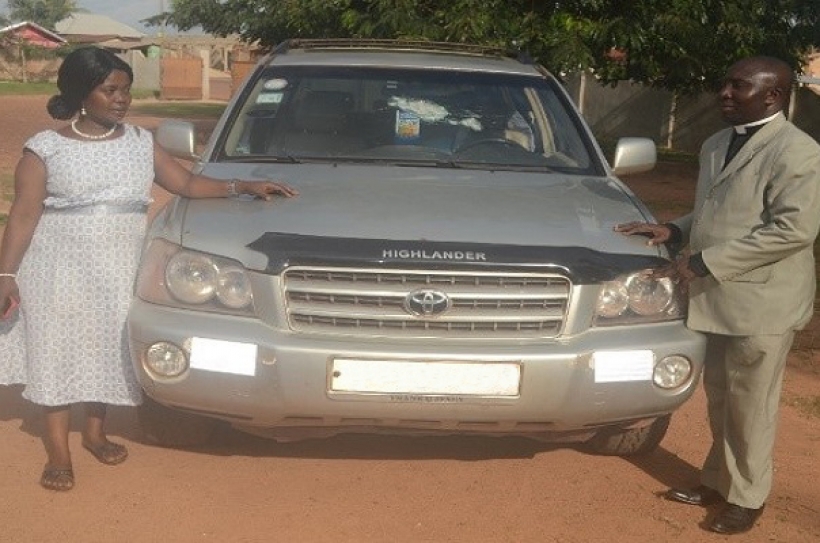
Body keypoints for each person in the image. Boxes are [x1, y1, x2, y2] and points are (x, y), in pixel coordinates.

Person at [0, 47, 298, 492]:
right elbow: (23, 215)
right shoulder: (45, 149)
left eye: (126, 90)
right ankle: (59, 450)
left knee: (106, 342)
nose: (122, 99)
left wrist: (243, 186)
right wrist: (6, 276)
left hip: (119, 266)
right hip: (57, 267)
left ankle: (96, 433)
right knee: (56, 348)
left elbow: (187, 183)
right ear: (84, 93)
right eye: (110, 90)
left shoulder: (140, 143)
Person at [615, 56, 820, 534]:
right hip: (717, 297)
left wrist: (706, 262)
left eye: (738, 86)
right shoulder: (715, 144)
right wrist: (673, 227)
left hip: (763, 303)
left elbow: (794, 229)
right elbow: (715, 212)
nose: (724, 93)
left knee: (752, 404)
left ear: (773, 95)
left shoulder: (798, 153)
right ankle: (716, 479)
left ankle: (748, 497)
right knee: (720, 398)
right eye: (724, 83)